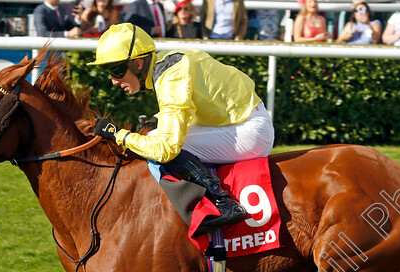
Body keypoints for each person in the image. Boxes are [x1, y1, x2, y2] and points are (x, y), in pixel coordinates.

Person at [90, 23, 275, 231]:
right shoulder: (167, 62)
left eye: (117, 70)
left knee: (159, 145)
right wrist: (158, 119)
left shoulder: (171, 76)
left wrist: (119, 134)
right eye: (107, 71)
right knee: (154, 134)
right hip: (240, 122)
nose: (114, 81)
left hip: (249, 131)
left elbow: (165, 148)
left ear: (138, 64)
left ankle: (224, 202)